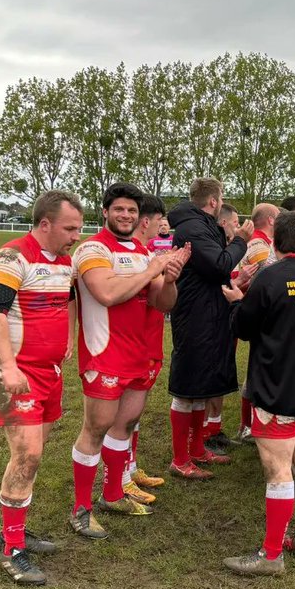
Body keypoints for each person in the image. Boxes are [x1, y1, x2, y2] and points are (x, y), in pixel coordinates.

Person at [219, 212, 295, 576]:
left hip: (276, 386)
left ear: (275, 241)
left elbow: (243, 327)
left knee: (277, 469)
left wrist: (235, 300)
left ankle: (272, 554)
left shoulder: (270, 277)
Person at [70, 183, 189, 540]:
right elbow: (106, 294)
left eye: (132, 211)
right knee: (96, 428)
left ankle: (112, 495)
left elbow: (162, 304)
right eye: (119, 209)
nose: (126, 216)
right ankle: (80, 510)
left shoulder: (139, 250)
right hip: (104, 355)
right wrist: (152, 268)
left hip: (139, 355)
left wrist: (169, 279)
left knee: (125, 426)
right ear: (105, 212)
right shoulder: (92, 249)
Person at [0, 190, 85, 586]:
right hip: (17, 372)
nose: (77, 235)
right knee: (28, 455)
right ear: (45, 224)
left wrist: (70, 339)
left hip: (50, 371)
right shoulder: (11, 257)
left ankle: (16, 530)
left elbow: (71, 298)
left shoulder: (63, 261)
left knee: (33, 454)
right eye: (70, 228)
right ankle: (12, 549)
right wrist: (8, 366)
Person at [167, 178, 253, 480]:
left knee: (201, 386)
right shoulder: (193, 228)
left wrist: (236, 281)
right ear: (214, 202)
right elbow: (218, 264)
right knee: (187, 386)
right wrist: (240, 240)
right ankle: (180, 458)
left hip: (207, 312)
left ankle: (198, 448)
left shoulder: (200, 225)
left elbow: (212, 272)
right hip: (194, 316)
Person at [122, 194, 174, 506]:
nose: (161, 226)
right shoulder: (135, 257)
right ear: (146, 222)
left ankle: (129, 467)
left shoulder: (146, 254)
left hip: (150, 343)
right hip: (135, 347)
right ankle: (120, 479)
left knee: (134, 414)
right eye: (158, 221)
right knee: (123, 417)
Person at [234, 203, 281, 442]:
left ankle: (251, 424)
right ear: (271, 220)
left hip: (261, 314)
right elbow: (271, 278)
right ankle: (247, 426)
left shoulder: (264, 243)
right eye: (279, 216)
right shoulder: (258, 245)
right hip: (259, 315)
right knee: (255, 373)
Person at [201, 202, 245, 452]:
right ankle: (204, 431)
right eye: (236, 222)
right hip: (212, 322)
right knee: (210, 376)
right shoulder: (214, 251)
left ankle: (214, 428)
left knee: (222, 374)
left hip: (228, 318)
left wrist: (245, 279)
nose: (238, 227)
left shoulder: (228, 249)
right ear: (224, 223)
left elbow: (228, 281)